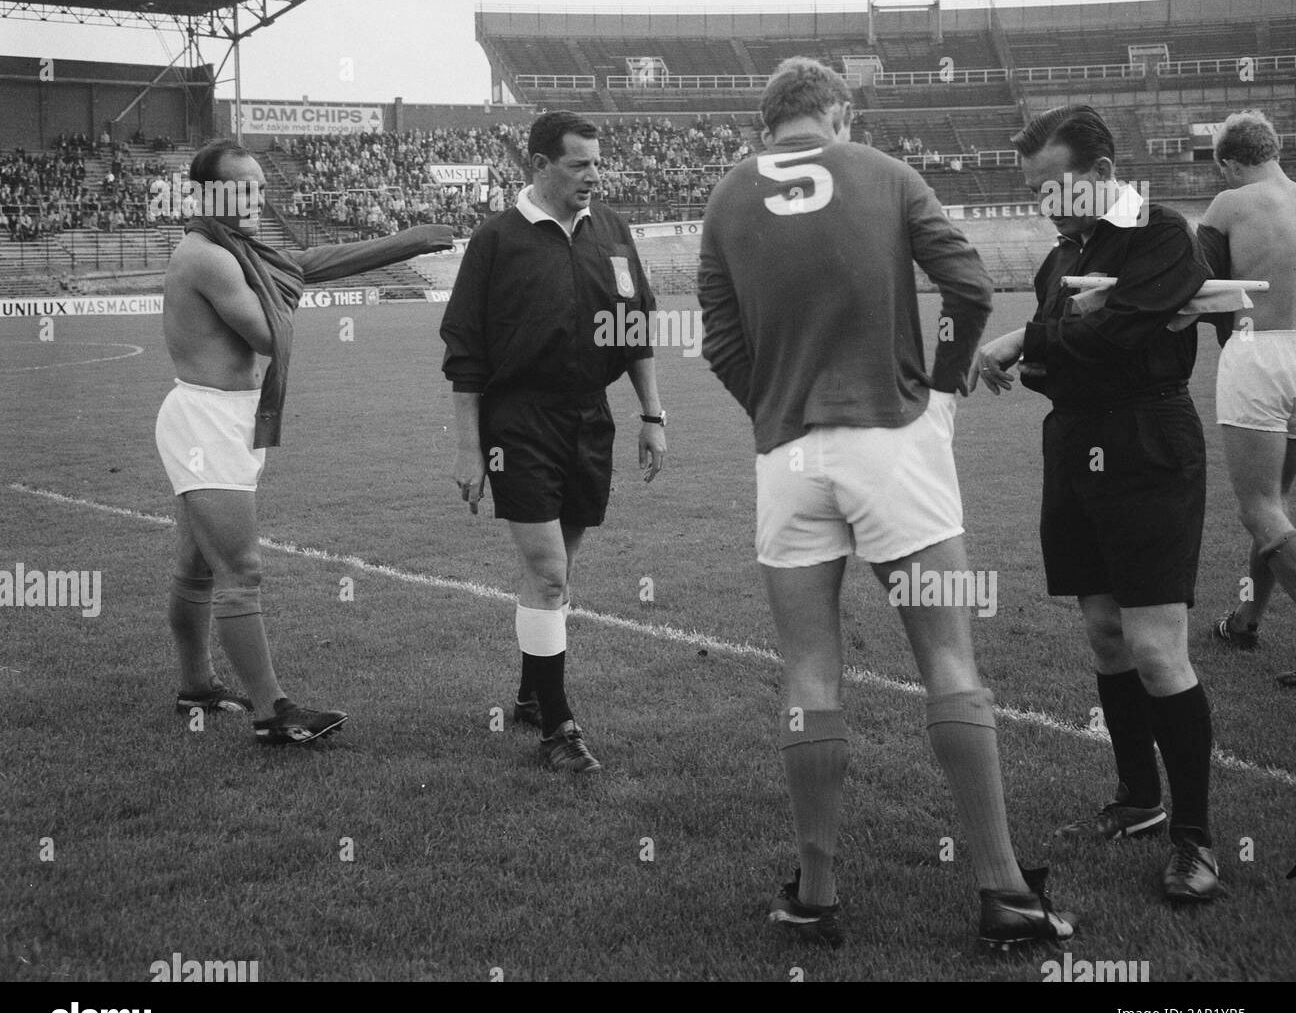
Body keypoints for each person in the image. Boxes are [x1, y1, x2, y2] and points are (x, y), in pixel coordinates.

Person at [699, 57, 1075, 950]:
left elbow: (719, 340)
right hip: (894, 442)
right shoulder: (885, 172)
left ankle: (817, 896)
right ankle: (1004, 893)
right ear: (837, 113)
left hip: (787, 457)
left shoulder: (724, 197)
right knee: (947, 659)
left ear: (769, 122)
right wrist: (939, 391)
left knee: (808, 673)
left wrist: (777, 412)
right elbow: (973, 290)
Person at [974, 104, 1218, 902]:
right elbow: (1068, 361)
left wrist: (1028, 341)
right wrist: (1045, 349)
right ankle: (1140, 798)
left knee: (1155, 645)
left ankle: (1196, 839)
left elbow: (1121, 333)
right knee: (1106, 633)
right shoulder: (1060, 257)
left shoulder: (1160, 233)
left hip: (1148, 442)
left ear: (1104, 174)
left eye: (1055, 185)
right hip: (1075, 443)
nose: (1045, 201)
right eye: (1036, 188)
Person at [156, 140, 452, 744]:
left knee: (197, 568)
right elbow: (269, 334)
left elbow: (306, 261)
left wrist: (408, 241)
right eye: (245, 188)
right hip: (205, 423)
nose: (258, 199)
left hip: (220, 417)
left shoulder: (231, 245)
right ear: (210, 194)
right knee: (242, 570)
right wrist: (290, 283)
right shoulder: (208, 256)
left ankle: (197, 685)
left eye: (262, 187)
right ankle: (273, 714)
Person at [441, 111, 667, 775]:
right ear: (540, 165)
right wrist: (467, 449)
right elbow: (465, 353)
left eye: (597, 163)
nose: (593, 175)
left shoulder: (613, 231)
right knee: (548, 574)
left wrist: (652, 414)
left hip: (588, 418)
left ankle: (531, 694)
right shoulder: (496, 240)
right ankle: (559, 726)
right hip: (518, 422)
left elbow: (633, 329)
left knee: (558, 571)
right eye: (578, 164)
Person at [1196, 111, 1296, 688]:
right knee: (1279, 506)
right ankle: (1244, 622)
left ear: (1231, 163)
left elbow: (1199, 286)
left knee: (1258, 507)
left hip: (1260, 353)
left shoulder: (1228, 205)